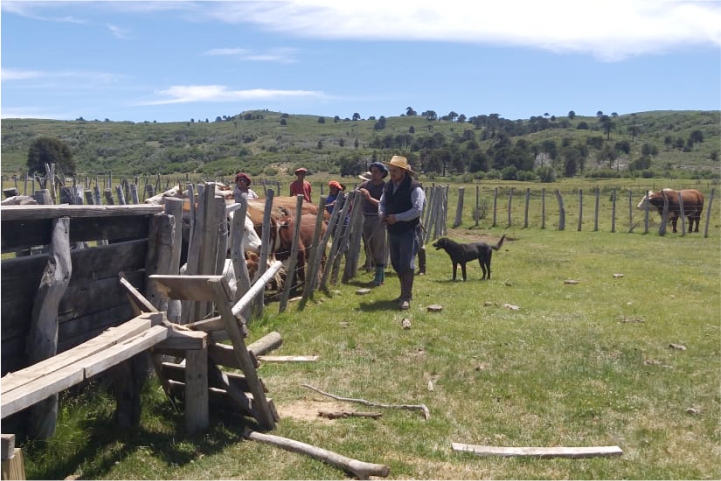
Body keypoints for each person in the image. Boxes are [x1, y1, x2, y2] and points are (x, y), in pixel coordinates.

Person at [379, 155, 425, 310]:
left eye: (394, 171)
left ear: (403, 172)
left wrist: (397, 218)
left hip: (409, 230)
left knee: (407, 263)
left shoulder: (414, 187)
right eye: (390, 170)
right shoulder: (388, 186)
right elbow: (382, 202)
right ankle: (404, 293)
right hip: (393, 230)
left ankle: (406, 296)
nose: (391, 174)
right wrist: (382, 213)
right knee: (397, 263)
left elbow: (417, 210)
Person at [357, 162, 388, 286]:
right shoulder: (365, 184)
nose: (374, 174)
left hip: (378, 219)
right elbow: (354, 194)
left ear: (382, 174)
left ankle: (379, 275)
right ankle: (380, 275)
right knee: (368, 245)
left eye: (376, 172)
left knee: (378, 246)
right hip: (366, 217)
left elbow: (383, 204)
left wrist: (369, 198)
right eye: (372, 171)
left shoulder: (385, 187)